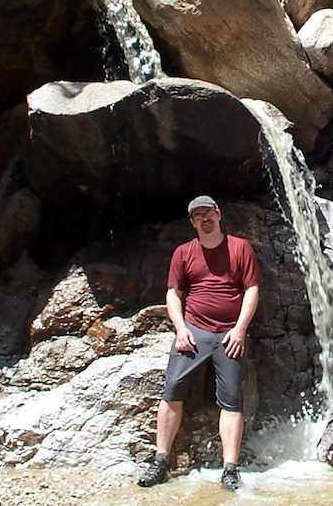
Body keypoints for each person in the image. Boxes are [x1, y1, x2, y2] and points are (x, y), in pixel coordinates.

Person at [137, 195, 262, 492]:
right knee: (172, 390)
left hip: (229, 334)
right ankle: (160, 461)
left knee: (231, 400)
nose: (205, 218)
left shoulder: (240, 247)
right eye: (198, 215)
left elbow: (252, 289)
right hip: (193, 331)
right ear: (192, 222)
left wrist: (240, 329)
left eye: (208, 213)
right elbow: (173, 294)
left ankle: (230, 469)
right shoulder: (183, 252)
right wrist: (180, 329)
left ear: (218, 214)